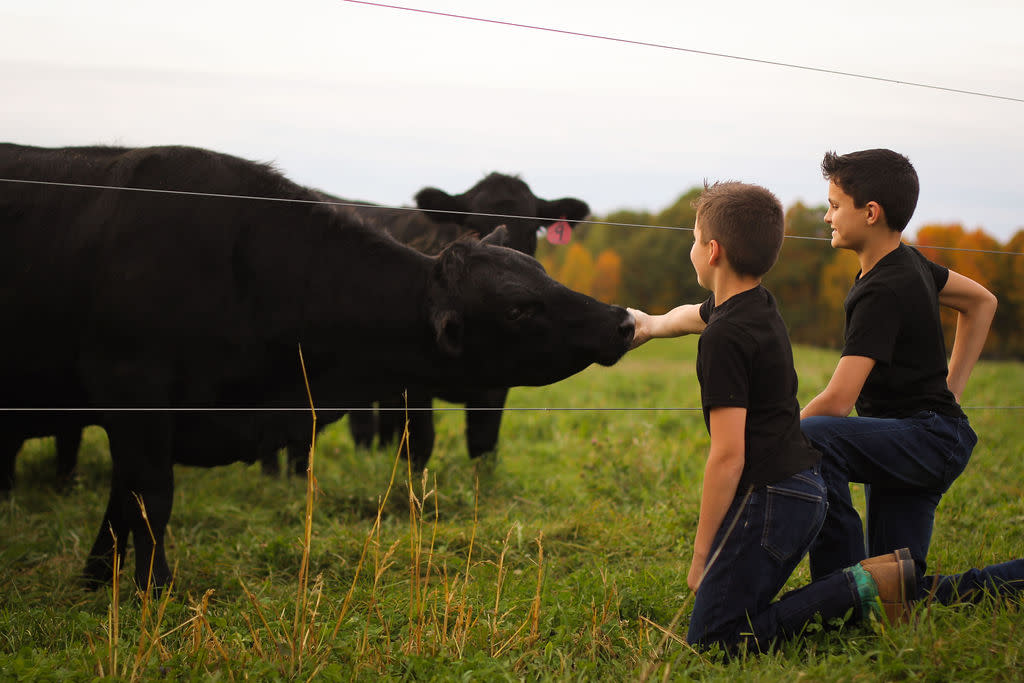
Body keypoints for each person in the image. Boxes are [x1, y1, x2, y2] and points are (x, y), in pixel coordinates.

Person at [629, 181, 918, 652]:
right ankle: (863, 584)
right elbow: (693, 316)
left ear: (713, 251)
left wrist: (702, 554)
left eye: (694, 239)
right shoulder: (756, 305)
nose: (691, 249)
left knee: (713, 642)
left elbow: (727, 457)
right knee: (729, 620)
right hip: (803, 487)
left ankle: (862, 585)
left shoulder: (723, 340)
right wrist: (649, 325)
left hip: (771, 501)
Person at [799, 149, 1001, 596]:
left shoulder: (883, 288)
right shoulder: (907, 263)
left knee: (812, 435)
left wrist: (778, 436)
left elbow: (836, 403)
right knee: (894, 592)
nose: (828, 217)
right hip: (918, 438)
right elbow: (982, 302)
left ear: (870, 213)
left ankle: (838, 594)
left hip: (923, 439)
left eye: (835, 206)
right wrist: (951, 394)